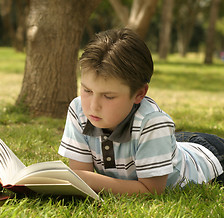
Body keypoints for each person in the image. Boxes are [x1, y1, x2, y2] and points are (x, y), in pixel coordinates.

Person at [58, 28, 224, 196]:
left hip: (211, 156)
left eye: (108, 96)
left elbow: (151, 191)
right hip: (171, 144)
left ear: (139, 94)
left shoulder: (153, 123)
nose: (93, 106)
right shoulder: (79, 110)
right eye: (87, 90)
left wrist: (80, 178)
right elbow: (81, 179)